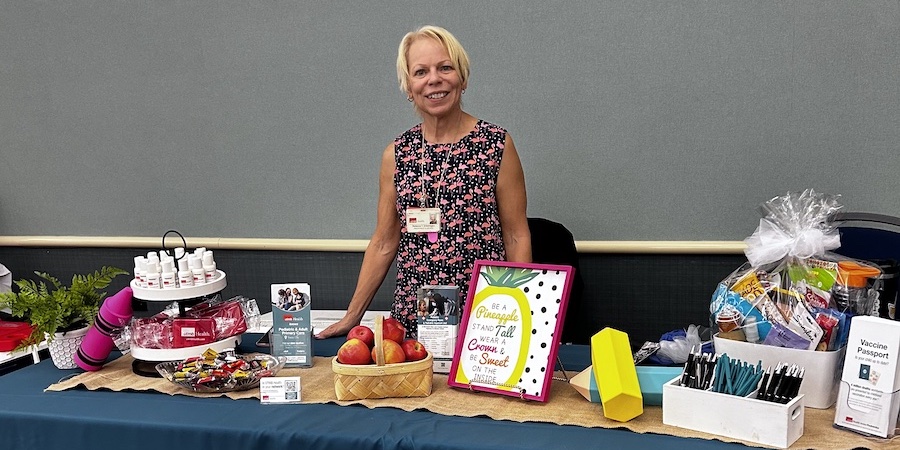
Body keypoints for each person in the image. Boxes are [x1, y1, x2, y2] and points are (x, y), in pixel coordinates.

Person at [316, 25, 531, 339]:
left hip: (486, 320)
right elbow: (384, 242)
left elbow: (515, 235)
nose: (434, 80)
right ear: (408, 86)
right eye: (421, 72)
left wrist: (519, 313)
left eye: (445, 67)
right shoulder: (397, 154)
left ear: (463, 78)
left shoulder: (496, 144)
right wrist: (352, 315)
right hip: (411, 326)